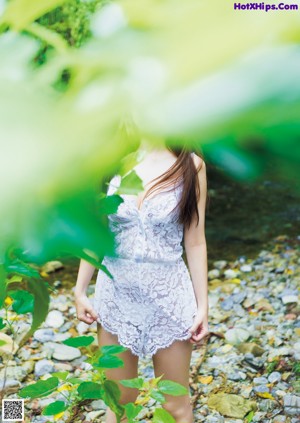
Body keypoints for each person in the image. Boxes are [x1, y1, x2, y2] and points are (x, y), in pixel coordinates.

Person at [74, 141, 209, 423]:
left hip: (169, 297)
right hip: (116, 296)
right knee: (120, 403)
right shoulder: (111, 159)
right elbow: (96, 232)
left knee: (175, 404)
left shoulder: (191, 165)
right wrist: (79, 289)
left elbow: (195, 242)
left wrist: (202, 306)